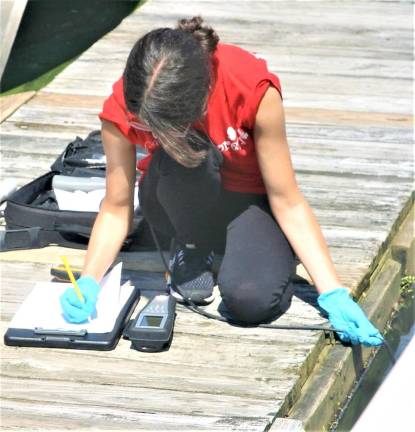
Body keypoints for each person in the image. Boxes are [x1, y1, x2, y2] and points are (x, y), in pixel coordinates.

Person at [60, 16, 383, 346]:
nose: (148, 133)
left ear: (201, 98)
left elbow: (286, 199)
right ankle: (192, 247)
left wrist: (333, 294)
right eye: (146, 127)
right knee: (186, 154)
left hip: (249, 200)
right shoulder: (128, 101)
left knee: (251, 301)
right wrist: (89, 281)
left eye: (159, 126)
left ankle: (241, 250)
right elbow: (116, 208)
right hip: (176, 197)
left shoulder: (251, 87)